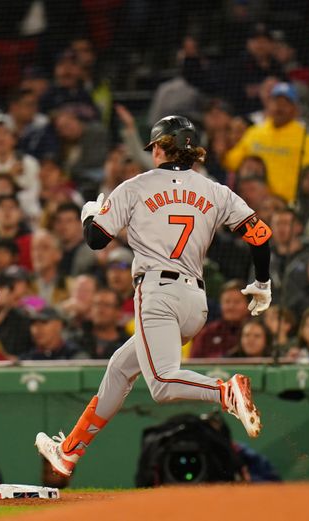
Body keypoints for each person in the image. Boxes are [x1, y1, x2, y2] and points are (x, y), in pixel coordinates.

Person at [36, 115, 272, 479]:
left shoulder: (136, 186)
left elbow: (96, 240)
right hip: (195, 302)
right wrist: (264, 281)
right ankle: (68, 452)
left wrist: (89, 215)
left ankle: (225, 392)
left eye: (155, 147)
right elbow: (260, 235)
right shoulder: (215, 190)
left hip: (158, 293)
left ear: (161, 147)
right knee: (119, 369)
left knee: (161, 384)